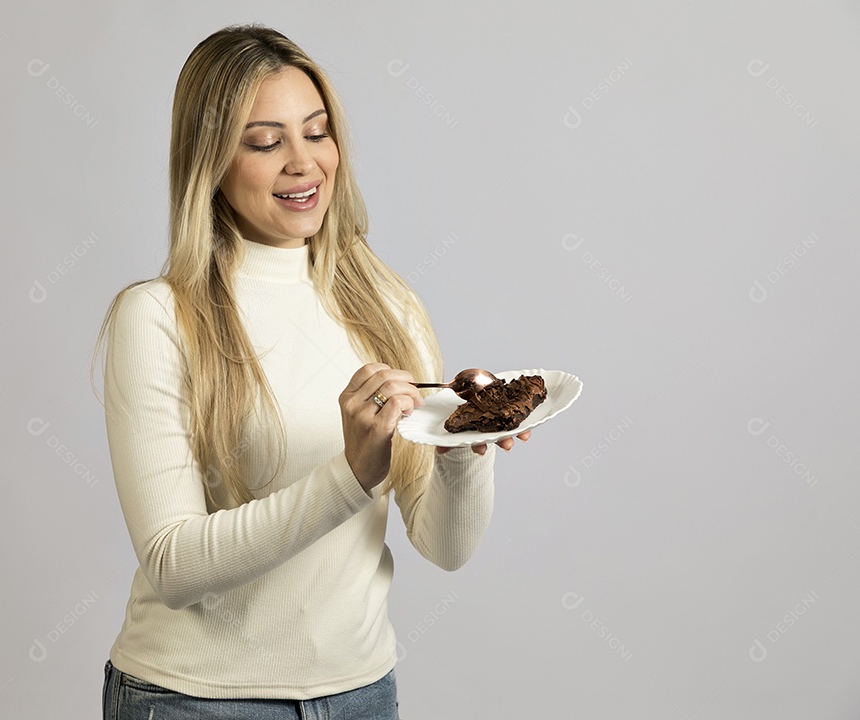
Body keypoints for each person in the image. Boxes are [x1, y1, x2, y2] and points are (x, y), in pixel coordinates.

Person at [91, 23, 531, 720]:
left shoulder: (386, 305)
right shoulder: (158, 318)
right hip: (194, 701)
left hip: (360, 692)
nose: (304, 163)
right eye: (265, 142)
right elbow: (173, 565)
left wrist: (462, 447)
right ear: (210, 161)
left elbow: (444, 548)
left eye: (317, 132)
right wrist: (352, 475)